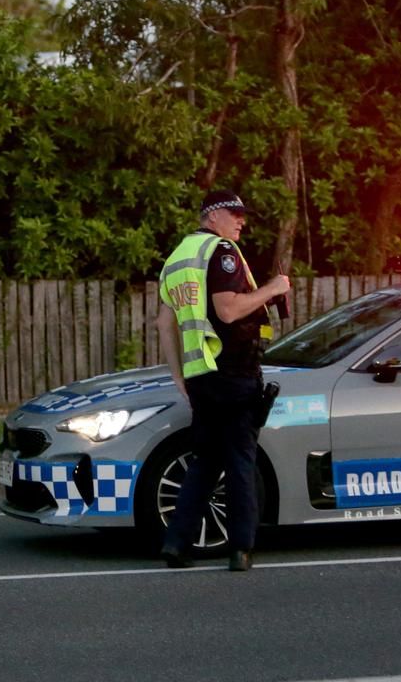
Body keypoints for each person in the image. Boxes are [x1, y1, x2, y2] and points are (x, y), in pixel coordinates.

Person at [155, 190, 290, 572]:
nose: (241, 221)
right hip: (233, 370)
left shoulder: (176, 258)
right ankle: (240, 549)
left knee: (204, 462)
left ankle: (177, 543)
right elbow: (227, 311)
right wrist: (272, 289)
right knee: (239, 461)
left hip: (201, 377)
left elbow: (164, 324)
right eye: (234, 214)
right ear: (211, 216)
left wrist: (179, 377)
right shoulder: (222, 252)